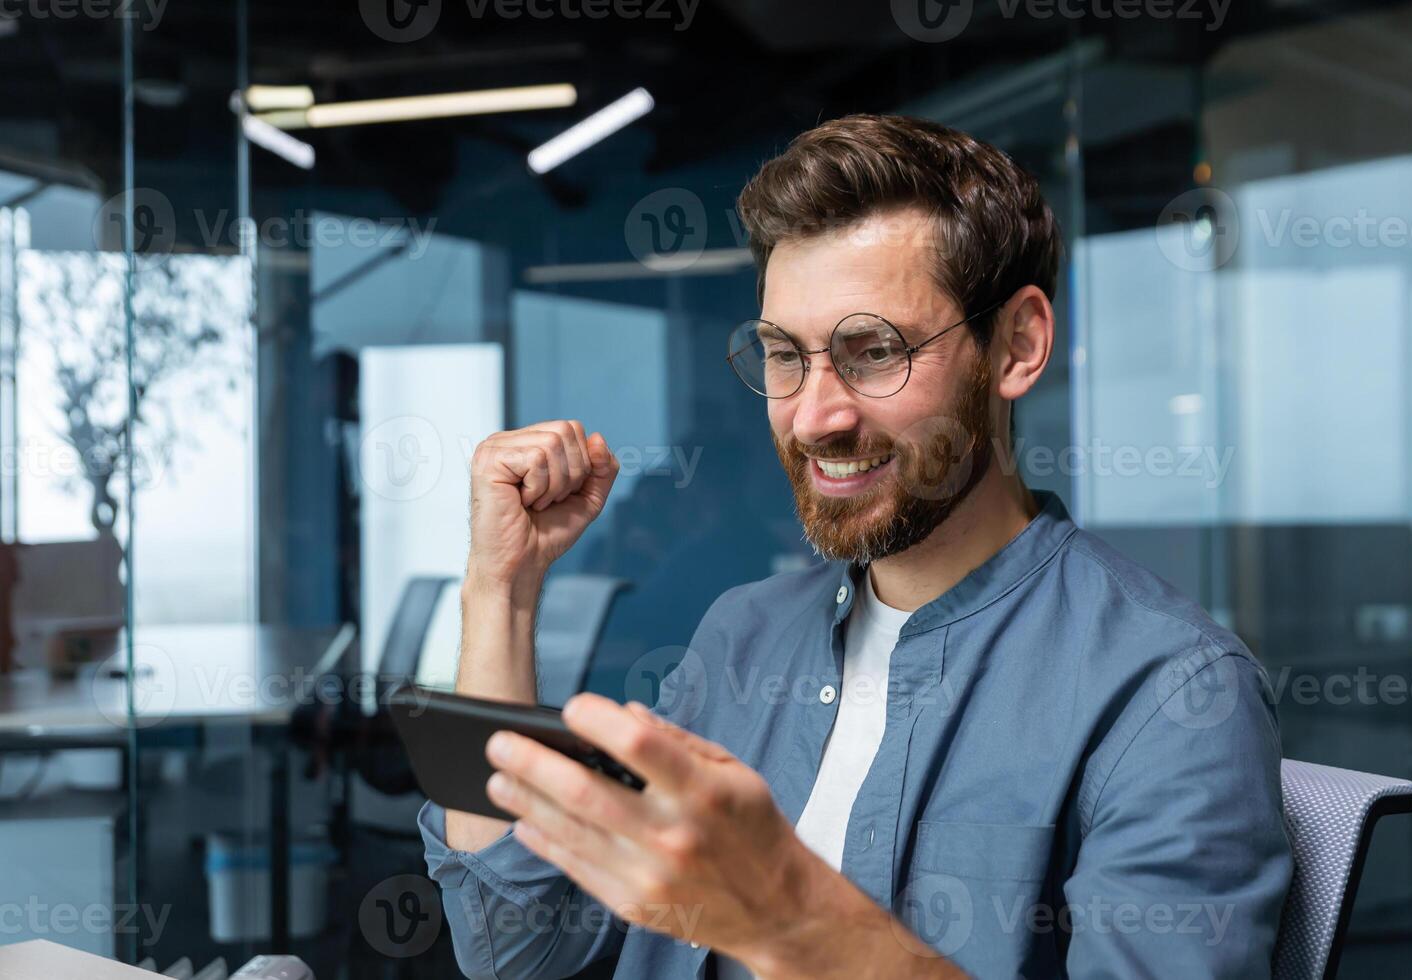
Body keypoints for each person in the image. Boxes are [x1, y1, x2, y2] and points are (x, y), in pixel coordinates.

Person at [419, 113, 1292, 979]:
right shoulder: (743, 635)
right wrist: (503, 589)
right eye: (783, 356)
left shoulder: (1169, 692)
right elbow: (516, 948)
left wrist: (789, 918)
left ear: (1017, 347)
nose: (814, 416)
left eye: (873, 351)